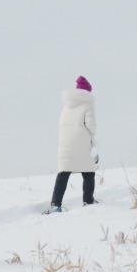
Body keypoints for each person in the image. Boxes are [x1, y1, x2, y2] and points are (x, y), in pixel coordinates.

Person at [48, 75, 98, 212]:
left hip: (66, 144)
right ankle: (88, 202)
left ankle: (55, 204)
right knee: (88, 173)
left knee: (63, 173)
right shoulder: (88, 104)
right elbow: (91, 127)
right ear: (87, 92)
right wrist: (94, 142)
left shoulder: (66, 106)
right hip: (82, 144)